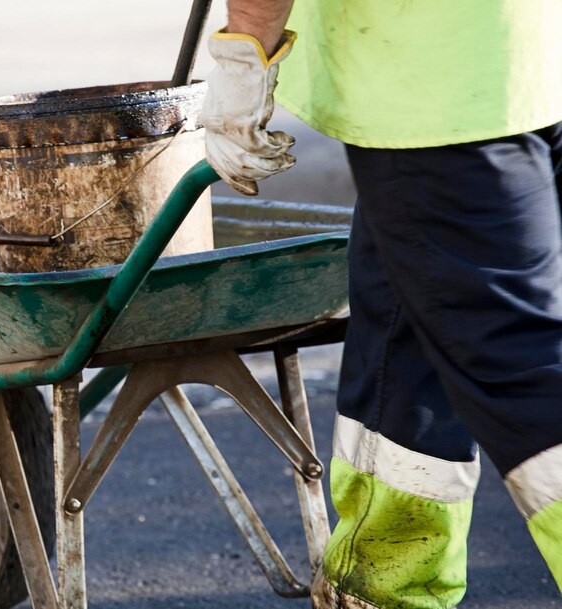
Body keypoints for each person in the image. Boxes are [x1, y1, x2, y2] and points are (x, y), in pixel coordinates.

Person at [199, 1, 562, 607]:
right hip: (525, 57)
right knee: (406, 328)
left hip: (434, 87)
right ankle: (385, 587)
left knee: (516, 360)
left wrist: (244, 56)